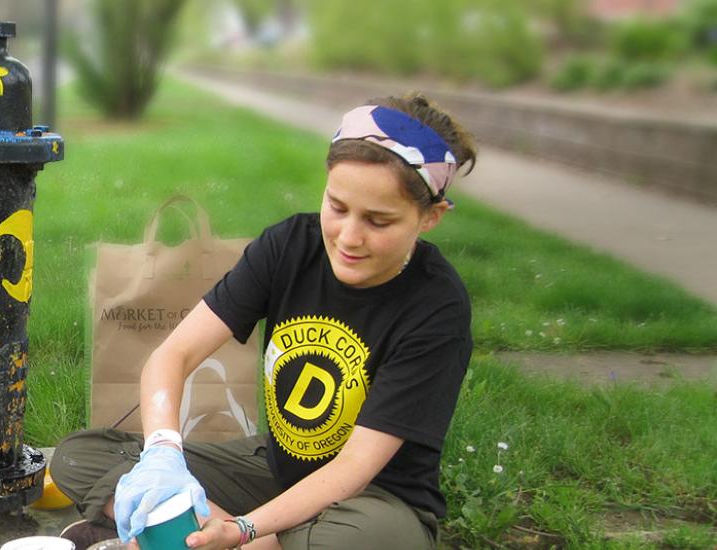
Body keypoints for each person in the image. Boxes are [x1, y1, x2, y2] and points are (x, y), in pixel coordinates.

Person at [52, 94, 478, 550]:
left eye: (378, 221)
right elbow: (172, 356)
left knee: (343, 542)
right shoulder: (291, 245)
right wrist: (162, 452)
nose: (349, 237)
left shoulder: (436, 307)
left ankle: (175, 537)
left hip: (374, 503)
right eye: (337, 207)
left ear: (430, 216)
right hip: (276, 470)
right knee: (80, 457)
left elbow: (354, 467)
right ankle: (200, 537)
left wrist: (243, 530)